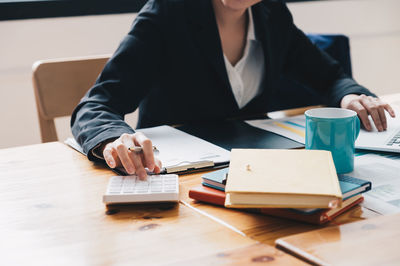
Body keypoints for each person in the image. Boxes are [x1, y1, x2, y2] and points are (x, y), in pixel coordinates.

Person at [71, 0, 395, 179]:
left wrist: (349, 95)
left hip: (258, 175)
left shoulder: (272, 14)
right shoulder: (168, 13)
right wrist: (115, 139)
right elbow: (97, 104)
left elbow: (328, 76)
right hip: (178, 182)